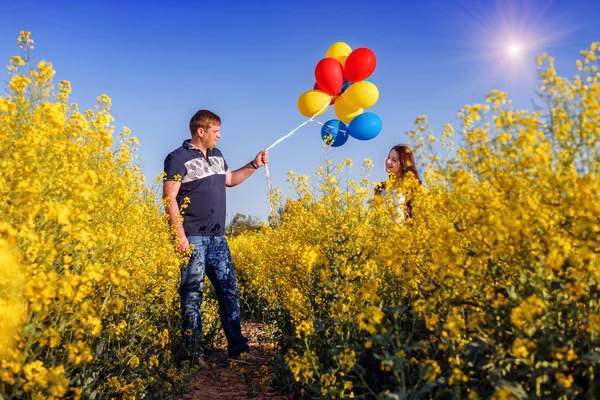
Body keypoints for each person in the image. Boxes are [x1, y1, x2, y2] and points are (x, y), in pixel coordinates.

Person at [162, 109, 268, 364]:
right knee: (192, 294)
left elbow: (230, 179)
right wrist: (179, 235)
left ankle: (238, 350)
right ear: (201, 132)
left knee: (228, 291)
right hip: (193, 237)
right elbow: (169, 198)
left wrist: (254, 165)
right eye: (216, 132)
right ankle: (193, 353)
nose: (219, 137)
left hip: (218, 237)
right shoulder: (177, 158)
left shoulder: (218, 156)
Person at [374, 144, 422, 219]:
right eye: (388, 157)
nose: (388, 161)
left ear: (403, 165)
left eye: (394, 160)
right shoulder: (380, 188)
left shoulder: (413, 189)